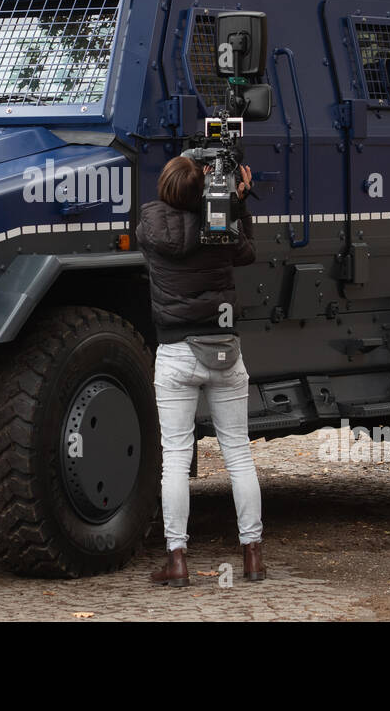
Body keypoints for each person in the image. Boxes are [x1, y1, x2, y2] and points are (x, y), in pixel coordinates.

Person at [136, 155, 265, 586]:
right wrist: (237, 200)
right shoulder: (221, 223)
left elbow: (168, 227)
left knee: (174, 457)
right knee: (238, 452)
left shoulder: (151, 225)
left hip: (176, 352)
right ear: (203, 191)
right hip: (224, 350)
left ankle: (177, 560)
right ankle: (252, 556)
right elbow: (247, 250)